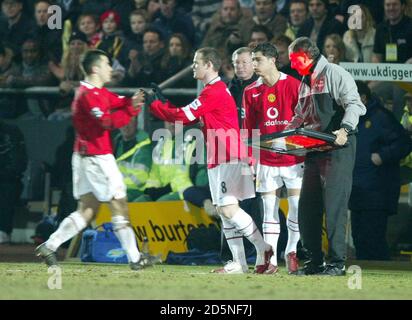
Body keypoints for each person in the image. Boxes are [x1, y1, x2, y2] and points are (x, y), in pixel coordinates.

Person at [138, 47, 273, 274]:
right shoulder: (212, 92)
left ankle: (263, 248)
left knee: (229, 210)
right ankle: (239, 263)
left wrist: (154, 105)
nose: (193, 66)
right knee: (223, 210)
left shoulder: (215, 92)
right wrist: (164, 102)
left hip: (228, 155)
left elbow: (182, 117)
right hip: (217, 157)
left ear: (209, 65)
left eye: (195, 62)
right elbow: (194, 117)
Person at [35, 49, 147, 271]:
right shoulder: (87, 96)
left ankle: (50, 244)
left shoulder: (98, 92)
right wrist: (132, 111)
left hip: (85, 157)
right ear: (95, 68)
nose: (110, 69)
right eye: (107, 64)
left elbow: (116, 101)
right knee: (119, 204)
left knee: (87, 210)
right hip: (97, 158)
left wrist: (131, 100)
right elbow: (106, 122)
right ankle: (135, 259)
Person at [287, 37, 366, 276]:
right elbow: (300, 116)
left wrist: (345, 130)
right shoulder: (305, 80)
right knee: (307, 208)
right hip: (315, 148)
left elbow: (355, 105)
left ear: (307, 56)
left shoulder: (334, 73)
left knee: (334, 205)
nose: (291, 65)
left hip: (338, 146)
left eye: (294, 59)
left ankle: (337, 263)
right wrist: (287, 135)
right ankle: (314, 262)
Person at [243, 42, 304, 274]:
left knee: (296, 208)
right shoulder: (251, 91)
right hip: (266, 160)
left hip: (294, 159)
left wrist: (295, 143)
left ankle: (291, 251)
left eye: (257, 59)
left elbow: (305, 119)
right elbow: (248, 130)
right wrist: (251, 159)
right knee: (269, 210)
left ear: (272, 60)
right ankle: (273, 261)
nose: (253, 64)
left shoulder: (294, 85)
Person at [349, 81, 411, 260]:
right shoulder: (351, 120)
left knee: (373, 239)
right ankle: (365, 282)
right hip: (358, 190)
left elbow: (404, 143)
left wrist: (383, 156)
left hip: (377, 190)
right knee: (359, 238)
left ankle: (383, 273)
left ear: (362, 98)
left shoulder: (381, 117)